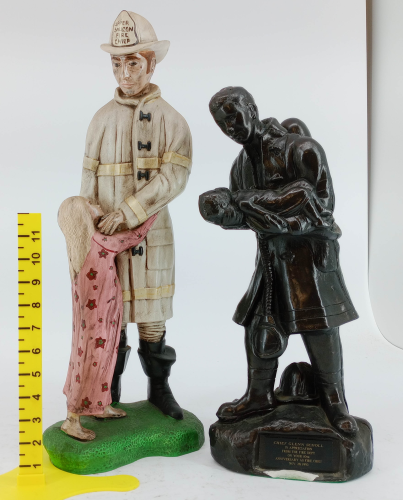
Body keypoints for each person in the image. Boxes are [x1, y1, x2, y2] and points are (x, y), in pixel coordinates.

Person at [199, 86, 359, 435]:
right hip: (270, 263)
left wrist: (280, 219)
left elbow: (324, 208)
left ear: (252, 110)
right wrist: (223, 214)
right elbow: (245, 217)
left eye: (234, 118)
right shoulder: (240, 167)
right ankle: (259, 396)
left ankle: (335, 402)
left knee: (319, 328)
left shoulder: (300, 149)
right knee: (256, 325)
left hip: (309, 261)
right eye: (222, 125)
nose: (230, 128)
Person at [79, 11, 192, 420]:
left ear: (151, 63)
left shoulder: (172, 121)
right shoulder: (100, 120)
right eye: (117, 63)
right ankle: (107, 394)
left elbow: (173, 178)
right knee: (112, 318)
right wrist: (88, 227)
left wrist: (128, 212)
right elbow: (87, 183)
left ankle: (160, 390)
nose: (124, 73)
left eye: (133, 63)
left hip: (152, 236)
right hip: (107, 241)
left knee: (152, 317)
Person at [58, 197, 157, 440]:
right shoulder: (98, 241)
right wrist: (154, 211)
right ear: (83, 215)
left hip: (102, 316)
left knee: (101, 361)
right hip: (98, 319)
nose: (97, 205)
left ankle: (100, 405)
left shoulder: (79, 246)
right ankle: (72, 420)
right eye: (91, 204)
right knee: (90, 363)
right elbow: (133, 237)